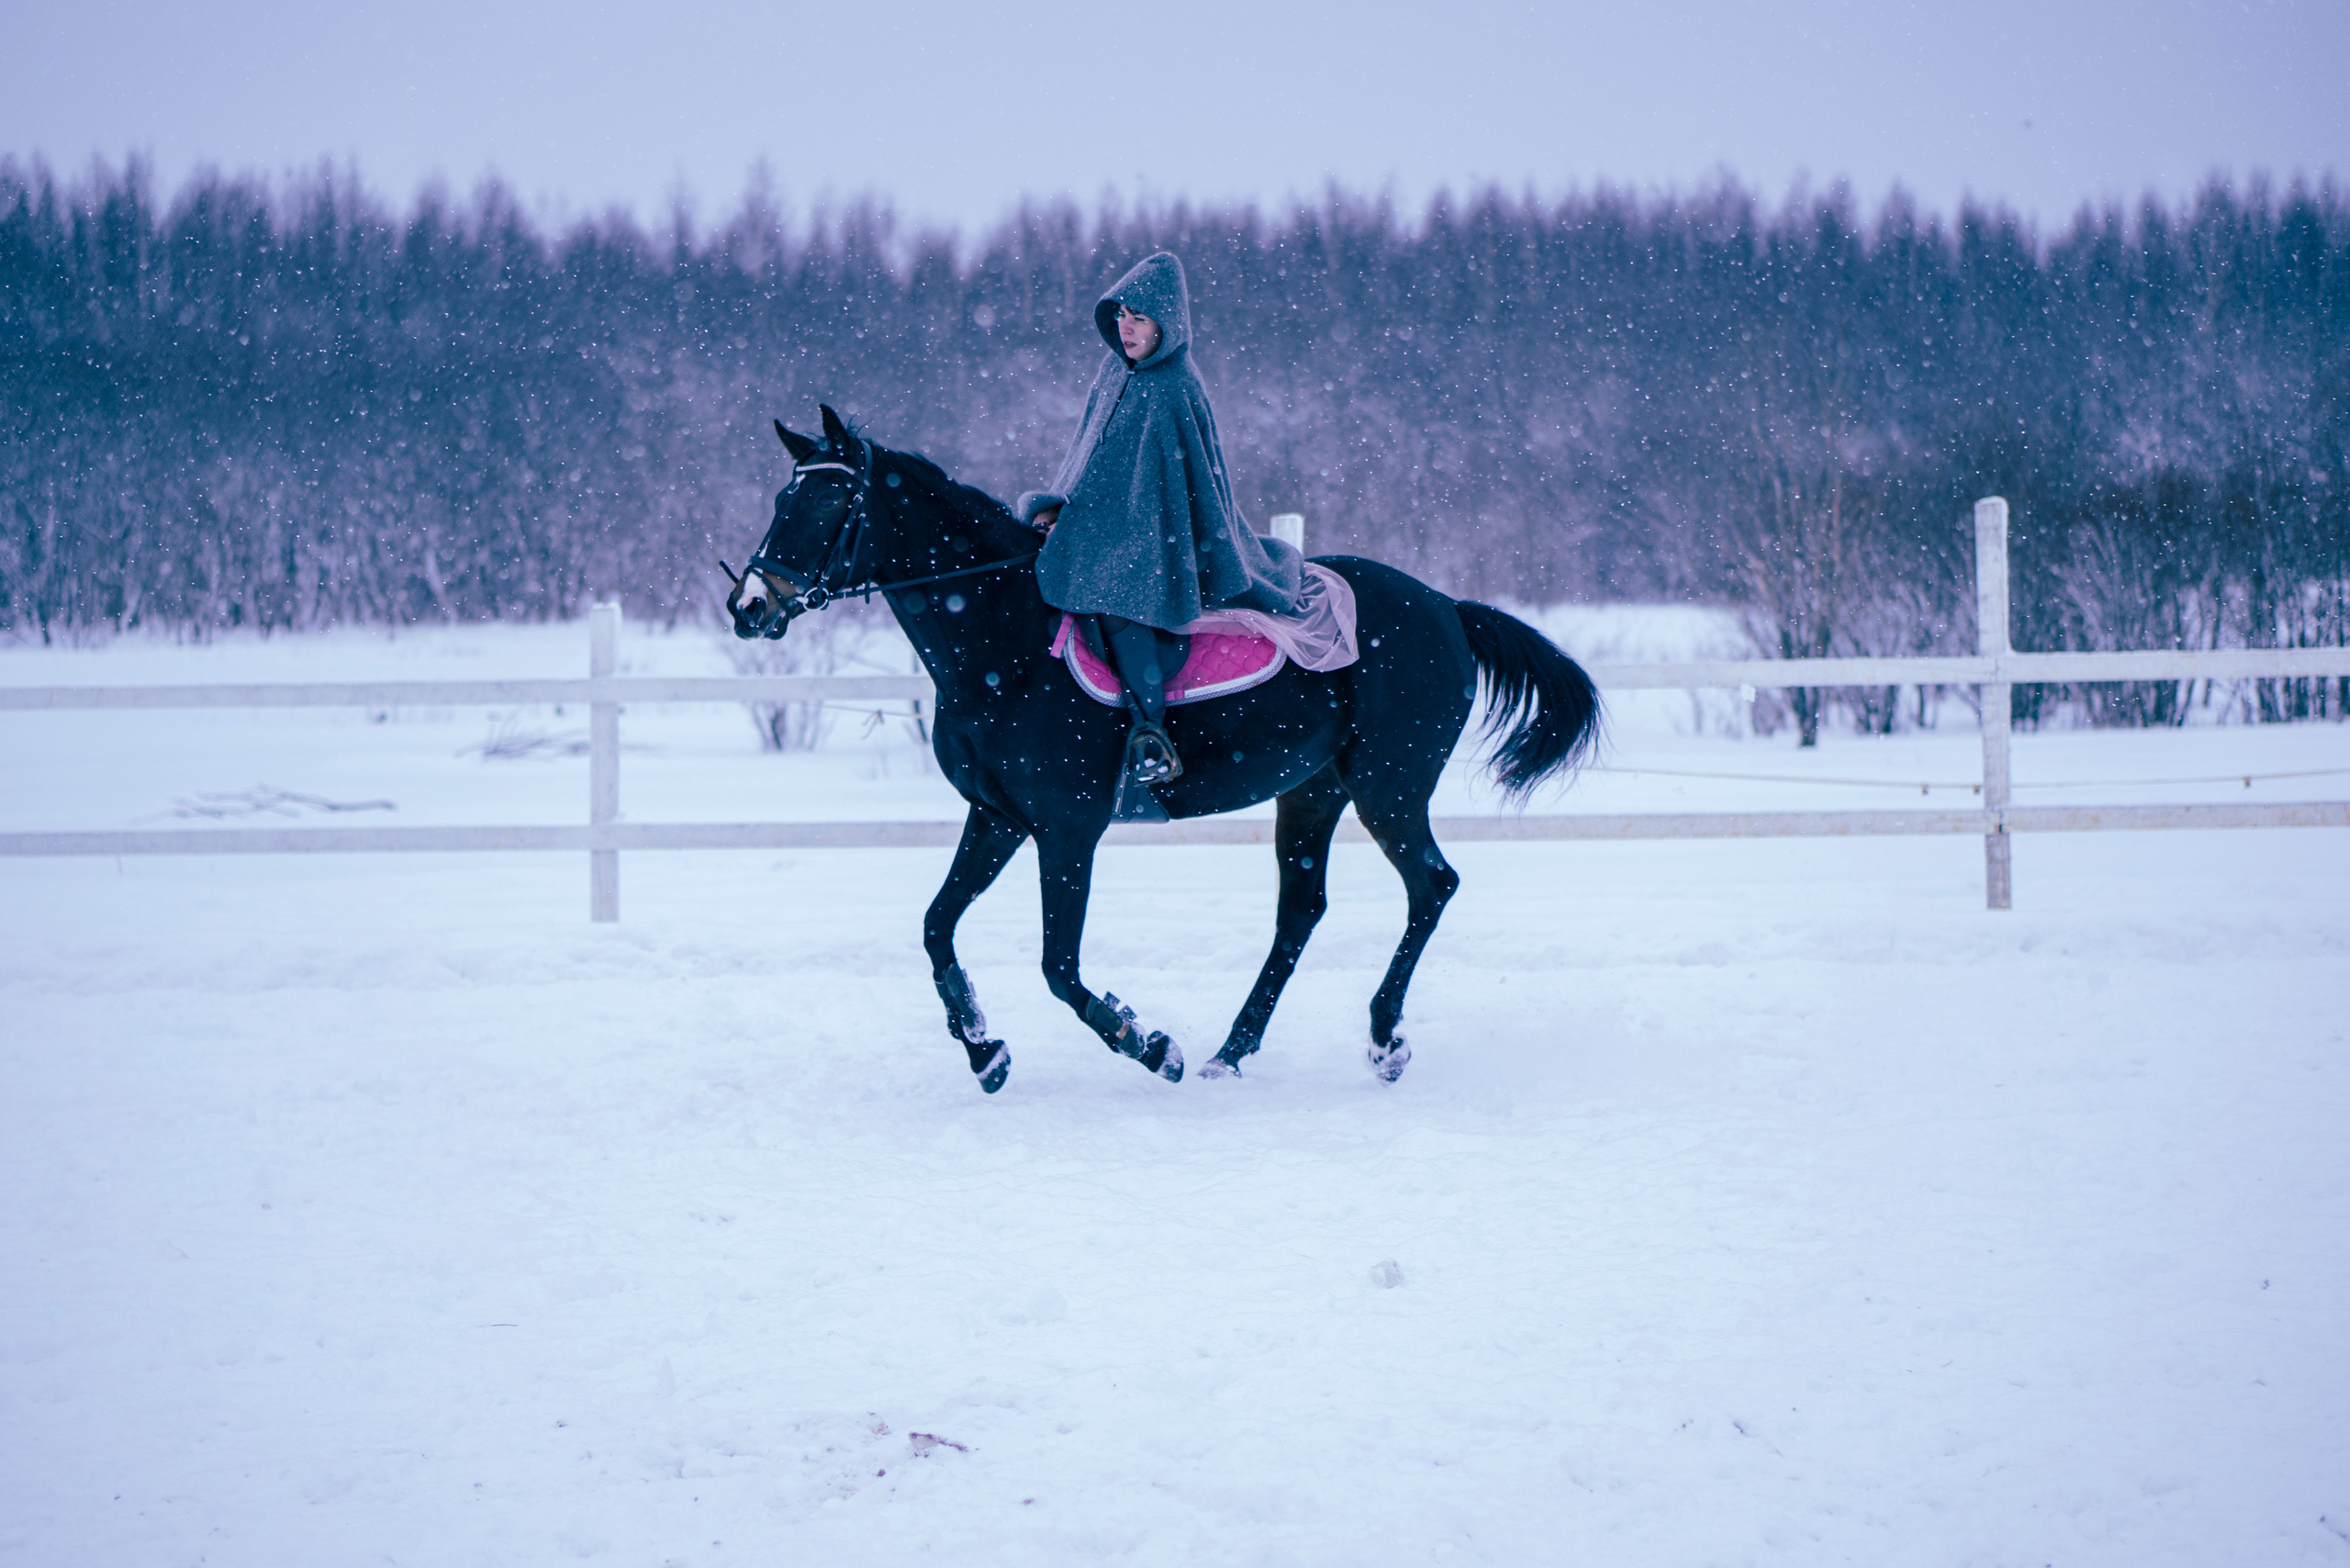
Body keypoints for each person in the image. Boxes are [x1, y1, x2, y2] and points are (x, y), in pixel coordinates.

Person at [1018, 251, 1305, 787]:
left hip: (1161, 543)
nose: (1126, 327)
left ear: (1166, 325)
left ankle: (1150, 734)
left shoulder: (1173, 387)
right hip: (1103, 530)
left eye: (1140, 318)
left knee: (1121, 603)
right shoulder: (1113, 373)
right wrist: (1060, 507)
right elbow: (1090, 460)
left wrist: (1093, 532)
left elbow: (1168, 492)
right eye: (1122, 314)